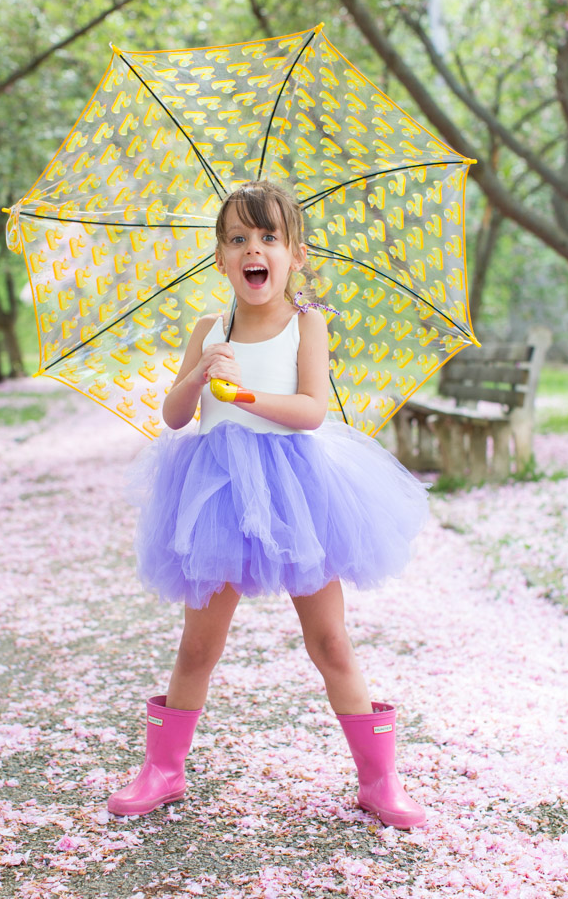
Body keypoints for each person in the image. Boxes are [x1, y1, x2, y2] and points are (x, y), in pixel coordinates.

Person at [107, 180, 429, 829]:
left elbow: (311, 411)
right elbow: (174, 416)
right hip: (218, 496)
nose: (253, 249)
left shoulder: (306, 323)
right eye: (238, 239)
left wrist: (245, 395)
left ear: (295, 255)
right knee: (198, 646)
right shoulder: (209, 329)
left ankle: (379, 779)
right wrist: (201, 375)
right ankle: (163, 771)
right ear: (221, 258)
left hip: (297, 494)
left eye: (268, 237)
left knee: (330, 639)